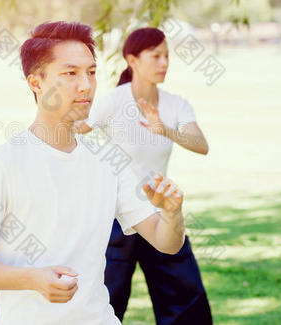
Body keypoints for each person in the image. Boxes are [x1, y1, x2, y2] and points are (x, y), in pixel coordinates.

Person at [0, 21, 189, 325]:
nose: (86, 85)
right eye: (70, 73)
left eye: (91, 72)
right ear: (36, 83)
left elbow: (166, 242)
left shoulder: (109, 161)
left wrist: (172, 213)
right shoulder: (2, 164)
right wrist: (31, 279)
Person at [75, 27, 212, 324]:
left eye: (166, 56)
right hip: (115, 218)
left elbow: (202, 145)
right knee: (106, 301)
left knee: (187, 303)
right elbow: (73, 133)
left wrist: (165, 129)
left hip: (159, 214)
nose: (164, 63)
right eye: (155, 56)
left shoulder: (175, 104)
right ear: (132, 60)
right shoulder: (113, 101)